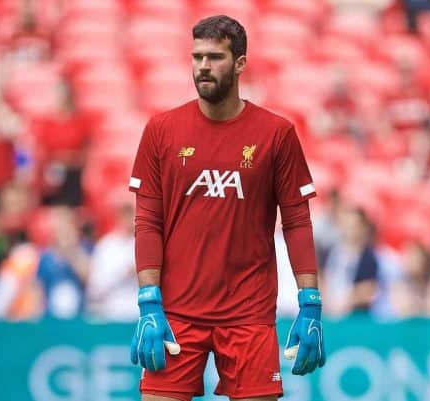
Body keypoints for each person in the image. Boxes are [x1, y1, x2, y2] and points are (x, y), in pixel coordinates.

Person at [127, 15, 325, 401]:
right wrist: (148, 300)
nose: (203, 66)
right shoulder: (161, 131)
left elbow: (297, 223)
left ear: (239, 63)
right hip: (177, 315)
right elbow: (147, 221)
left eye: (215, 57)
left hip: (249, 315)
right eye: (197, 57)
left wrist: (310, 303)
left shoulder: (276, 134)